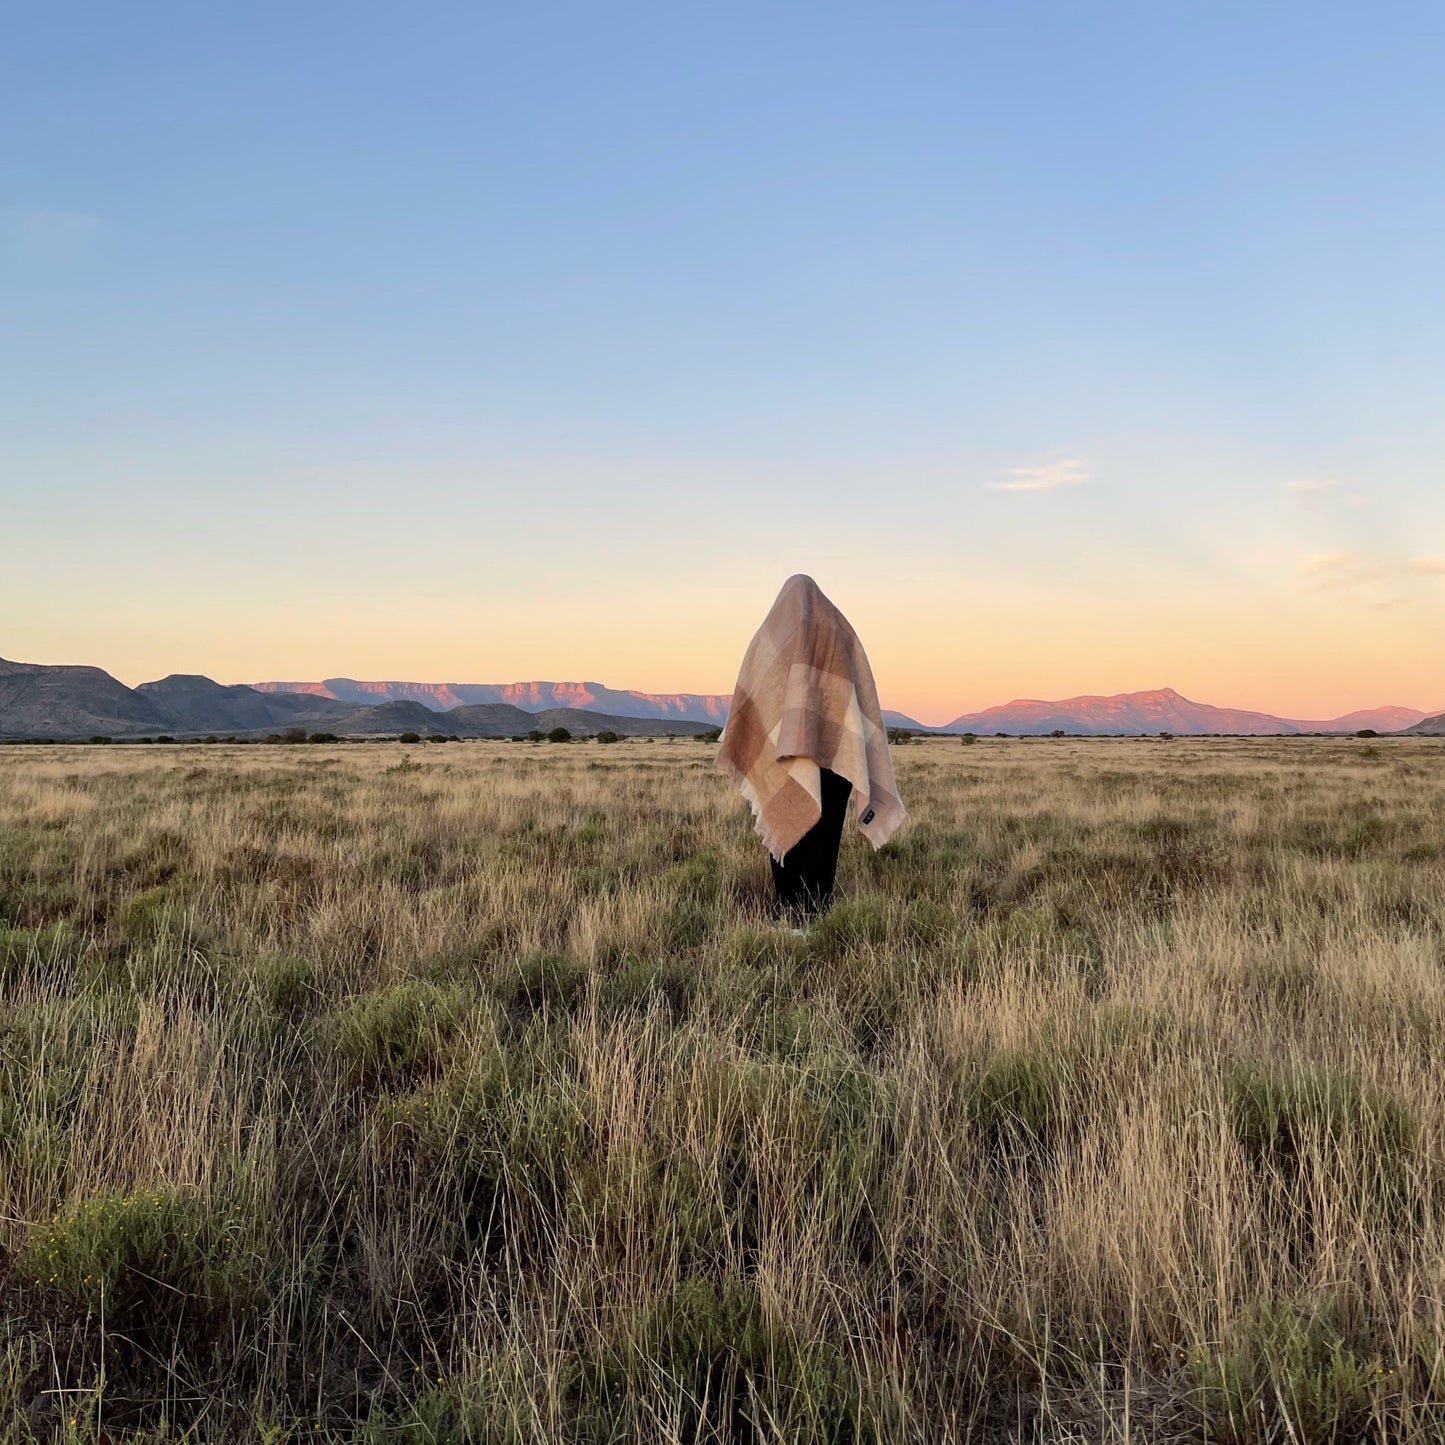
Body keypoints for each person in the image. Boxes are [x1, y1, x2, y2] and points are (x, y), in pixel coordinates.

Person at [716, 574, 906, 920]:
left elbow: (754, 698)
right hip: (836, 754)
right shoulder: (839, 630)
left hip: (784, 755)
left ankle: (791, 912)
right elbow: (856, 697)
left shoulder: (769, 636)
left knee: (788, 820)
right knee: (825, 835)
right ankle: (816, 913)